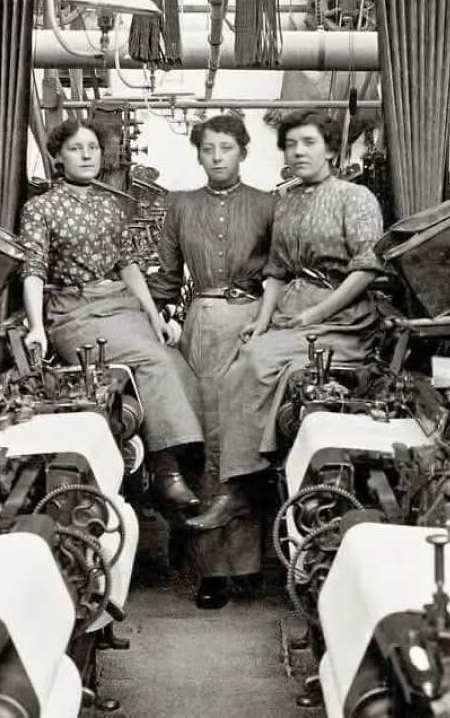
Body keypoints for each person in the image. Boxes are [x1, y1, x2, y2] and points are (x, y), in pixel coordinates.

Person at [185, 110, 385, 531]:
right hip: (292, 309)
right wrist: (262, 319)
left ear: (331, 149)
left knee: (254, 366)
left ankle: (239, 489)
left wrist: (318, 312)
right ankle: (250, 481)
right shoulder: (288, 201)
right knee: (245, 357)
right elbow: (276, 271)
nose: (298, 151)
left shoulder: (355, 197)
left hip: (341, 317)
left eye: (308, 142)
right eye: (291, 145)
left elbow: (366, 269)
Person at [19, 118, 204, 513]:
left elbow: (128, 265)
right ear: (57, 157)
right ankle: (166, 473)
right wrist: (36, 326)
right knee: (153, 361)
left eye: (92, 148)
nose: (86, 155)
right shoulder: (41, 208)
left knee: (177, 360)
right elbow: (33, 269)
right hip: (74, 311)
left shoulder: (109, 206)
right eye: (75, 148)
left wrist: (154, 316)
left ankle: (172, 467)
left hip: (118, 304)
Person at [148, 114, 275, 609]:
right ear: (197, 154)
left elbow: (279, 274)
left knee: (244, 441)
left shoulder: (268, 205)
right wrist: (155, 319)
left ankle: (248, 567)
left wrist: (268, 324)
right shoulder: (179, 206)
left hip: (251, 326)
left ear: (243, 150)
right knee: (203, 439)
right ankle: (210, 573)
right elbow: (164, 276)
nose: (217, 156)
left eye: (226, 147)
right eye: (208, 149)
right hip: (200, 323)